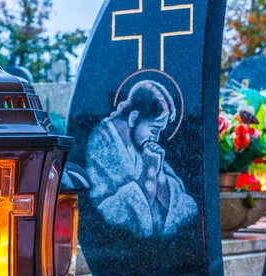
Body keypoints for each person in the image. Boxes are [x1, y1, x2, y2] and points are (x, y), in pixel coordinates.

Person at [85, 80, 198, 238]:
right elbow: (101, 215)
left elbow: (186, 205)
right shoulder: (100, 143)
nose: (156, 138)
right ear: (133, 118)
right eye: (154, 129)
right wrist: (148, 176)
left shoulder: (140, 144)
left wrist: (160, 179)